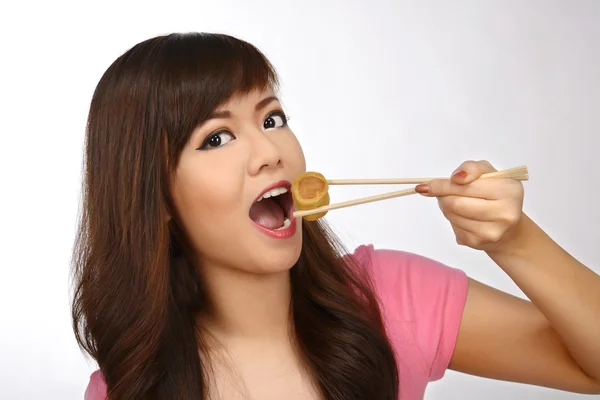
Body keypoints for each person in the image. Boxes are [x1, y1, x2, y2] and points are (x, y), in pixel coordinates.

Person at [71, 32, 600, 400]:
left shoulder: (387, 298)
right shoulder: (129, 389)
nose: (269, 151)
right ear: (157, 198)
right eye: (217, 137)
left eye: (272, 117)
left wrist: (514, 242)